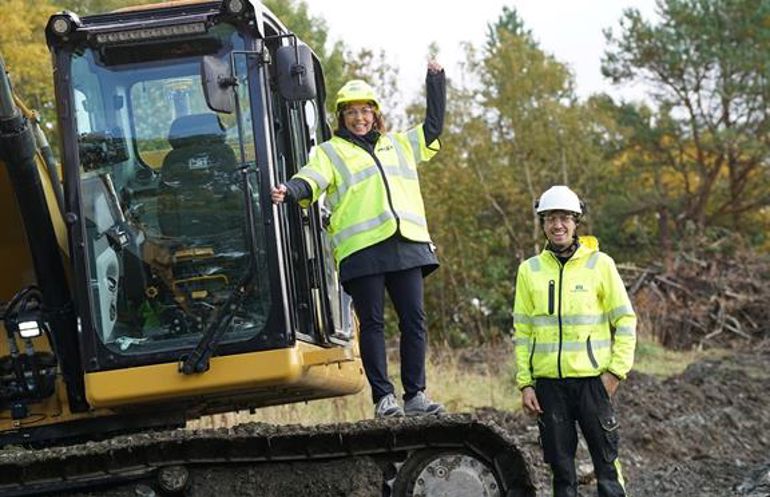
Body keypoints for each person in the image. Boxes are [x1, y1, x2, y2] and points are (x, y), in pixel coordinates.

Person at [271, 61, 446, 418]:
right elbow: (311, 180)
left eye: (365, 110)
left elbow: (432, 128)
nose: (360, 118)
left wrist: (436, 81)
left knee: (414, 320)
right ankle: (384, 398)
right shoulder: (329, 151)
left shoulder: (398, 145)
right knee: (373, 323)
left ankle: (416, 396)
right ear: (341, 117)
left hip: (407, 244)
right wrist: (289, 190)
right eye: (351, 112)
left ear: (376, 114)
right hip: (362, 252)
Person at [512, 185, 636, 497]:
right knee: (562, 471)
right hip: (549, 387)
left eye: (565, 218)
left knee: (607, 464)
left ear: (576, 221)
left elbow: (625, 320)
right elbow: (523, 331)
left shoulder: (600, 265)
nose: (558, 225)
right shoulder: (530, 271)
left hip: (593, 382)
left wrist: (615, 372)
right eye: (551, 218)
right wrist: (526, 383)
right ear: (542, 223)